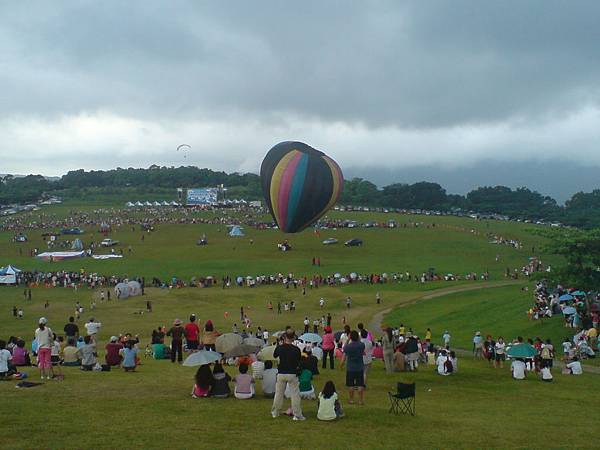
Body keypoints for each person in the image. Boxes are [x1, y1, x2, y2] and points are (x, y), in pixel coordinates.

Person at [271, 329, 305, 420]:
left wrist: (279, 344)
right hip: (292, 373)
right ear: (294, 337)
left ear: (285, 337)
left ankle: (275, 412)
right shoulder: (296, 349)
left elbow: (274, 355)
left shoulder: (280, 347)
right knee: (295, 395)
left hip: (281, 372)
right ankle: (297, 414)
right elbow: (298, 361)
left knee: (278, 394)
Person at [341, 330, 365, 405]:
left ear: (350, 337)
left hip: (350, 368)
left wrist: (348, 339)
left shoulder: (348, 347)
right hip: (359, 367)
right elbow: (361, 342)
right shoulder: (361, 345)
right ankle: (360, 400)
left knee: (351, 385)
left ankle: (351, 400)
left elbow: (344, 348)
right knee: (360, 384)